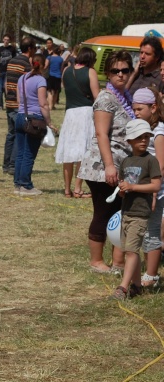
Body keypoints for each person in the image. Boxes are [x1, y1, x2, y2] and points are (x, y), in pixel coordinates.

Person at [78, 51, 135, 274]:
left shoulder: (125, 96)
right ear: (107, 74)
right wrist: (110, 166)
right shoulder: (105, 98)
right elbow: (102, 134)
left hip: (122, 166)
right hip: (101, 167)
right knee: (104, 212)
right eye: (115, 71)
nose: (120, 75)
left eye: (125, 70)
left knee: (119, 213)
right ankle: (96, 261)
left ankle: (118, 262)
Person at [111, 119, 161, 299]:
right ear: (129, 141)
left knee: (132, 251)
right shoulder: (126, 161)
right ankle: (137, 286)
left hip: (140, 212)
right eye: (139, 137)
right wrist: (123, 191)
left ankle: (123, 288)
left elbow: (155, 185)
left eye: (147, 137)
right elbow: (125, 186)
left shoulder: (151, 160)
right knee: (129, 251)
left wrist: (133, 188)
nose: (143, 140)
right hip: (127, 211)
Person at [128, 88, 164, 289]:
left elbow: (160, 163)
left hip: (155, 190)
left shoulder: (159, 131)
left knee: (152, 231)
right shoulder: (142, 129)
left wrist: (153, 191)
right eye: (134, 109)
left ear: (153, 107)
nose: (136, 113)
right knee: (140, 230)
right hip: (142, 188)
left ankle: (151, 276)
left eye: (140, 109)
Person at [56, 46, 99, 198]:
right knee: (83, 152)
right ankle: (77, 188)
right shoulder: (90, 72)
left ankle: (67, 190)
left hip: (70, 113)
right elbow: (96, 96)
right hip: (85, 113)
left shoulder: (66, 71)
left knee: (68, 153)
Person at [13, 52, 56, 196]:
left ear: (31, 63)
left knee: (20, 153)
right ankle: (26, 185)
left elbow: (19, 100)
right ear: (44, 65)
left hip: (20, 116)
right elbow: (43, 104)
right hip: (34, 120)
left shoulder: (22, 78)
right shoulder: (40, 80)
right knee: (29, 154)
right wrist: (49, 122)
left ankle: (18, 184)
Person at [2, 37, 33, 175]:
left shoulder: (12, 61)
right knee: (19, 133)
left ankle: (6, 164)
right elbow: (27, 86)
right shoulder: (26, 64)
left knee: (11, 134)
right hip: (18, 103)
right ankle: (13, 165)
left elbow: (7, 81)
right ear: (31, 48)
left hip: (9, 101)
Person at [0, 34, 18, 111]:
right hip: (0, 71)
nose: (6, 41)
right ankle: (0, 105)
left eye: (8, 40)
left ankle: (8, 103)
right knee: (0, 90)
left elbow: (15, 59)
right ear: (3, 40)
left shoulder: (12, 49)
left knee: (6, 89)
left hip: (9, 71)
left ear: (9, 41)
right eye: (5, 39)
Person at [46, 46, 63, 110]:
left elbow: (45, 66)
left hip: (51, 76)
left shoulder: (49, 57)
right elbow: (61, 68)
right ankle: (53, 105)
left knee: (50, 91)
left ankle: (50, 106)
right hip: (58, 76)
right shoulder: (61, 59)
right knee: (56, 92)